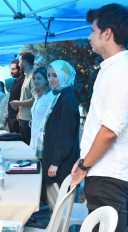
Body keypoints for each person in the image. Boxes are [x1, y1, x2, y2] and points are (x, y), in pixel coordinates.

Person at [70, 4, 128, 232]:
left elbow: (109, 131)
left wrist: (85, 165)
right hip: (103, 172)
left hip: (110, 176)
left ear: (107, 33)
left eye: (93, 30)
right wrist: (85, 164)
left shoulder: (123, 72)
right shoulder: (112, 69)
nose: (89, 37)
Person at [40, 60, 79, 207]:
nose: (50, 79)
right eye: (49, 75)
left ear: (64, 76)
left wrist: (55, 162)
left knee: (60, 209)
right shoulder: (61, 95)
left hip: (60, 166)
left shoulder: (67, 98)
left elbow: (65, 134)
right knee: (56, 208)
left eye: (55, 75)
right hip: (56, 163)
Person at [10, 52, 35, 145]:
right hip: (22, 118)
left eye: (20, 61)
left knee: (28, 147)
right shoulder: (27, 77)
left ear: (24, 62)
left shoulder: (33, 77)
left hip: (28, 119)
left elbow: (35, 99)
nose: (19, 63)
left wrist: (19, 103)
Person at [29, 67, 54, 154]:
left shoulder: (50, 96)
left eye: (39, 78)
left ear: (46, 80)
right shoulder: (37, 95)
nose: (36, 81)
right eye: (34, 78)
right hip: (34, 136)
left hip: (44, 138)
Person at [7, 60, 24, 133]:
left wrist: (18, 114)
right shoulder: (15, 81)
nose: (11, 71)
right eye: (11, 69)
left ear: (20, 70)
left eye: (13, 69)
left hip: (17, 117)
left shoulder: (23, 81)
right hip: (11, 116)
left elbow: (24, 98)